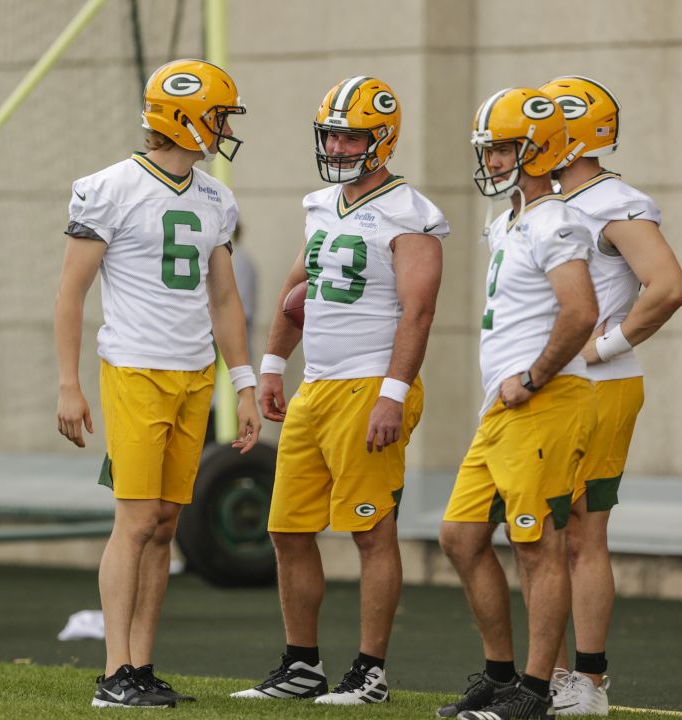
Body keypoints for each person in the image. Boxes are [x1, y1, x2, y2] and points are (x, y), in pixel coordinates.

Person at [230, 75, 447, 705]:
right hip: (318, 387)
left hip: (369, 386)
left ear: (382, 138)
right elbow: (300, 290)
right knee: (287, 529)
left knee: (371, 530)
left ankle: (370, 672)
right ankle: (302, 665)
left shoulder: (412, 214)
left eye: (351, 134)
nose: (339, 145)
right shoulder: (323, 205)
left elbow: (419, 313)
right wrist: (273, 364)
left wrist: (394, 393)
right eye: (332, 133)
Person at [53, 58, 261, 709]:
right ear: (186, 115)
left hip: (193, 372)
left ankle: (141, 666)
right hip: (135, 370)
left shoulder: (215, 196)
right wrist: (68, 382)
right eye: (219, 114)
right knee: (137, 518)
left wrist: (245, 383)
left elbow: (225, 300)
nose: (224, 127)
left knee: (168, 522)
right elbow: (70, 293)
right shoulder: (110, 187)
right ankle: (114, 672)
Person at [437, 87, 600, 720]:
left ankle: (533, 693)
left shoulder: (557, 220)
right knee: (460, 535)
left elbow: (581, 311)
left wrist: (532, 377)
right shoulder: (510, 218)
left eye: (505, 147)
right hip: (504, 406)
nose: (495, 160)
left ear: (541, 149)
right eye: (490, 148)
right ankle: (502, 675)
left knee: (537, 544)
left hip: (544, 399)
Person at [537, 76, 682, 716]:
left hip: (595, 386)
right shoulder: (550, 200)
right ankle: (554, 674)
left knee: (577, 534)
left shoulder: (612, 201)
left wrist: (604, 347)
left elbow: (668, 287)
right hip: (554, 385)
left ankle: (586, 683)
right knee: (541, 533)